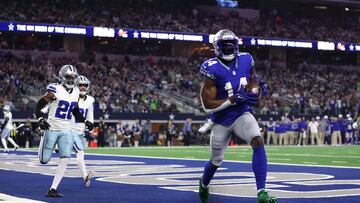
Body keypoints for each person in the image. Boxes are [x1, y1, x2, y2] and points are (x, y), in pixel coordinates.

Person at [198, 29, 276, 203]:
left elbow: (252, 79)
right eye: (224, 47)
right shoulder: (210, 67)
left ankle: (261, 191)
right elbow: (207, 106)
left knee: (257, 140)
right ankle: (203, 183)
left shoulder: (246, 58)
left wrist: (256, 90)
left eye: (231, 46)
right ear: (217, 48)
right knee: (216, 160)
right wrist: (233, 99)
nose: (228, 50)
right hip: (221, 119)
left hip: (242, 113)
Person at [35, 65, 93, 197]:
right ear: (62, 77)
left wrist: (85, 121)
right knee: (44, 160)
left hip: (66, 129)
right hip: (52, 128)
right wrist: (40, 119)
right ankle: (43, 138)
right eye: (68, 77)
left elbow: (75, 110)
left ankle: (53, 189)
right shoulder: (55, 89)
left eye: (73, 77)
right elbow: (39, 104)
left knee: (65, 159)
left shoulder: (76, 91)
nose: (71, 80)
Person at [71, 75, 95, 187]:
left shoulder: (90, 99)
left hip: (79, 131)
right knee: (65, 158)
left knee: (80, 157)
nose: (83, 87)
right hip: (68, 130)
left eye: (85, 85)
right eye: (81, 85)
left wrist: (91, 124)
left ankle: (85, 177)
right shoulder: (71, 97)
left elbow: (90, 115)